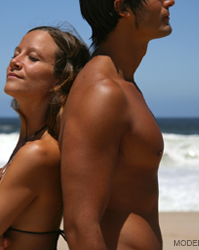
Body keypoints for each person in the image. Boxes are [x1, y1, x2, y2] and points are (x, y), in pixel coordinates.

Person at [0, 26, 89, 250]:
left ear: (61, 80)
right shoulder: (31, 143)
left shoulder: (38, 153)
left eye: (33, 57)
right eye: (16, 53)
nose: (15, 61)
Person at [59, 0, 175, 249]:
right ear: (123, 8)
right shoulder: (103, 92)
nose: (170, 2)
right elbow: (80, 225)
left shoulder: (122, 83)